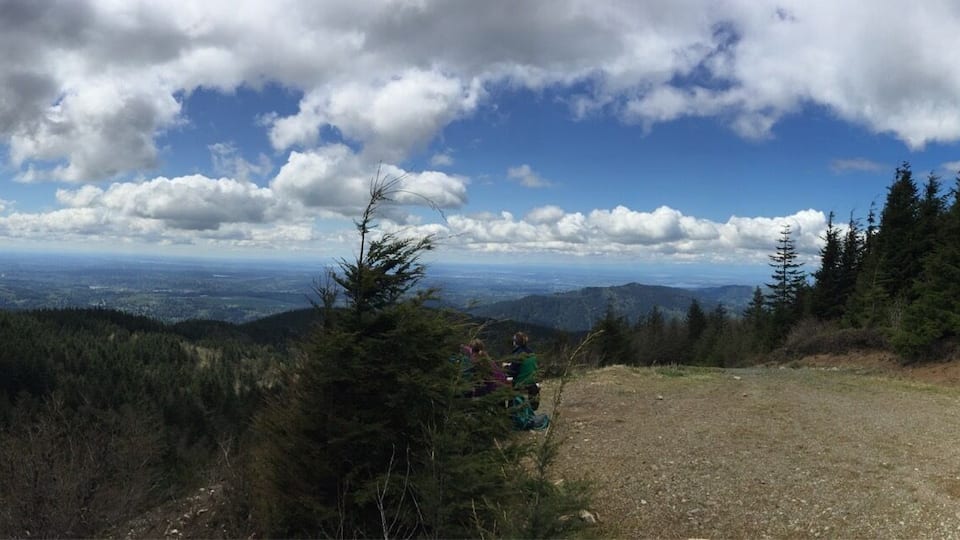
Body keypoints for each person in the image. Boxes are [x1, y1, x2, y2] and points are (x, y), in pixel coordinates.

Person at [505, 332, 549, 431]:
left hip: (521, 384)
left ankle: (512, 417)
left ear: (515, 342)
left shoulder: (518, 355)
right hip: (532, 383)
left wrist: (506, 367)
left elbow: (512, 372)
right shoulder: (532, 353)